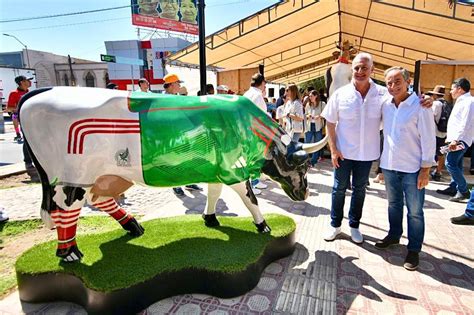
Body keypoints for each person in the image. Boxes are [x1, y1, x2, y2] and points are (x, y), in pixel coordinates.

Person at [321, 53, 432, 244]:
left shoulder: (383, 93)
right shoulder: (341, 93)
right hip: (342, 153)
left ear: (372, 70)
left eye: (365, 68)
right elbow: (330, 122)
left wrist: (425, 99)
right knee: (338, 189)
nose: (360, 71)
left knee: (359, 190)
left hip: (367, 155)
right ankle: (335, 225)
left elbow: (404, 98)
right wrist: (333, 149)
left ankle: (354, 226)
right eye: (356, 68)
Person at [374, 66, 436, 271]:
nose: (392, 86)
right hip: (390, 165)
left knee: (415, 211)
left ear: (408, 82)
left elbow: (428, 139)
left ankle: (414, 249)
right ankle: (394, 235)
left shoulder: (420, 106)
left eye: (397, 81)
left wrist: (426, 168)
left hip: (412, 168)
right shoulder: (386, 105)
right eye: (389, 83)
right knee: (393, 204)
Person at [163, 73, 203, 196]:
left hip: (182, 135)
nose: (179, 86)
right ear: (171, 85)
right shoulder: (162, 99)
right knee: (174, 161)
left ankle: (189, 182)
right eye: (178, 83)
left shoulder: (177, 97)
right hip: (171, 136)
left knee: (188, 159)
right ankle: (175, 185)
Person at [436, 78, 473, 202]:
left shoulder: (469, 102)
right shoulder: (462, 101)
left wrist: (455, 140)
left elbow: (465, 123)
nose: (451, 92)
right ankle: (454, 187)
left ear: (459, 89)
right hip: (456, 139)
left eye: (452, 89)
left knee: (450, 163)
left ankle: (463, 191)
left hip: (460, 140)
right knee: (457, 164)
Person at [7, 75, 39, 181]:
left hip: (34, 121)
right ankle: (29, 164)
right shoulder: (14, 94)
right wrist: (22, 108)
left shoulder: (29, 93)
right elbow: (9, 108)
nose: (29, 82)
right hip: (24, 121)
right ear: (21, 82)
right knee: (27, 142)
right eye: (27, 80)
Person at [243, 73, 269, 194]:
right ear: (262, 83)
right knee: (254, 158)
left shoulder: (247, 94)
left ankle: (254, 182)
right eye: (264, 83)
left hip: (245, 130)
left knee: (250, 158)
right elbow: (261, 117)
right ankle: (252, 185)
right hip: (255, 132)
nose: (265, 86)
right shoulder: (258, 96)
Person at [427, 85, 451, 181]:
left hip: (434, 133)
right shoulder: (448, 104)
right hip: (444, 134)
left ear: (436, 95)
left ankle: (427, 172)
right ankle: (438, 172)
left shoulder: (436, 104)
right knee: (441, 153)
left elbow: (430, 116)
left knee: (430, 152)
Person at [304, 90, 325, 166]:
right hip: (309, 126)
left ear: (316, 96)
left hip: (318, 126)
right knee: (307, 144)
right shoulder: (308, 104)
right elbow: (305, 114)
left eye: (311, 96)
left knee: (317, 144)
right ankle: (305, 160)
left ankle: (313, 161)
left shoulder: (322, 104)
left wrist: (319, 116)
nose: (310, 98)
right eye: (309, 96)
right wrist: (308, 116)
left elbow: (325, 114)